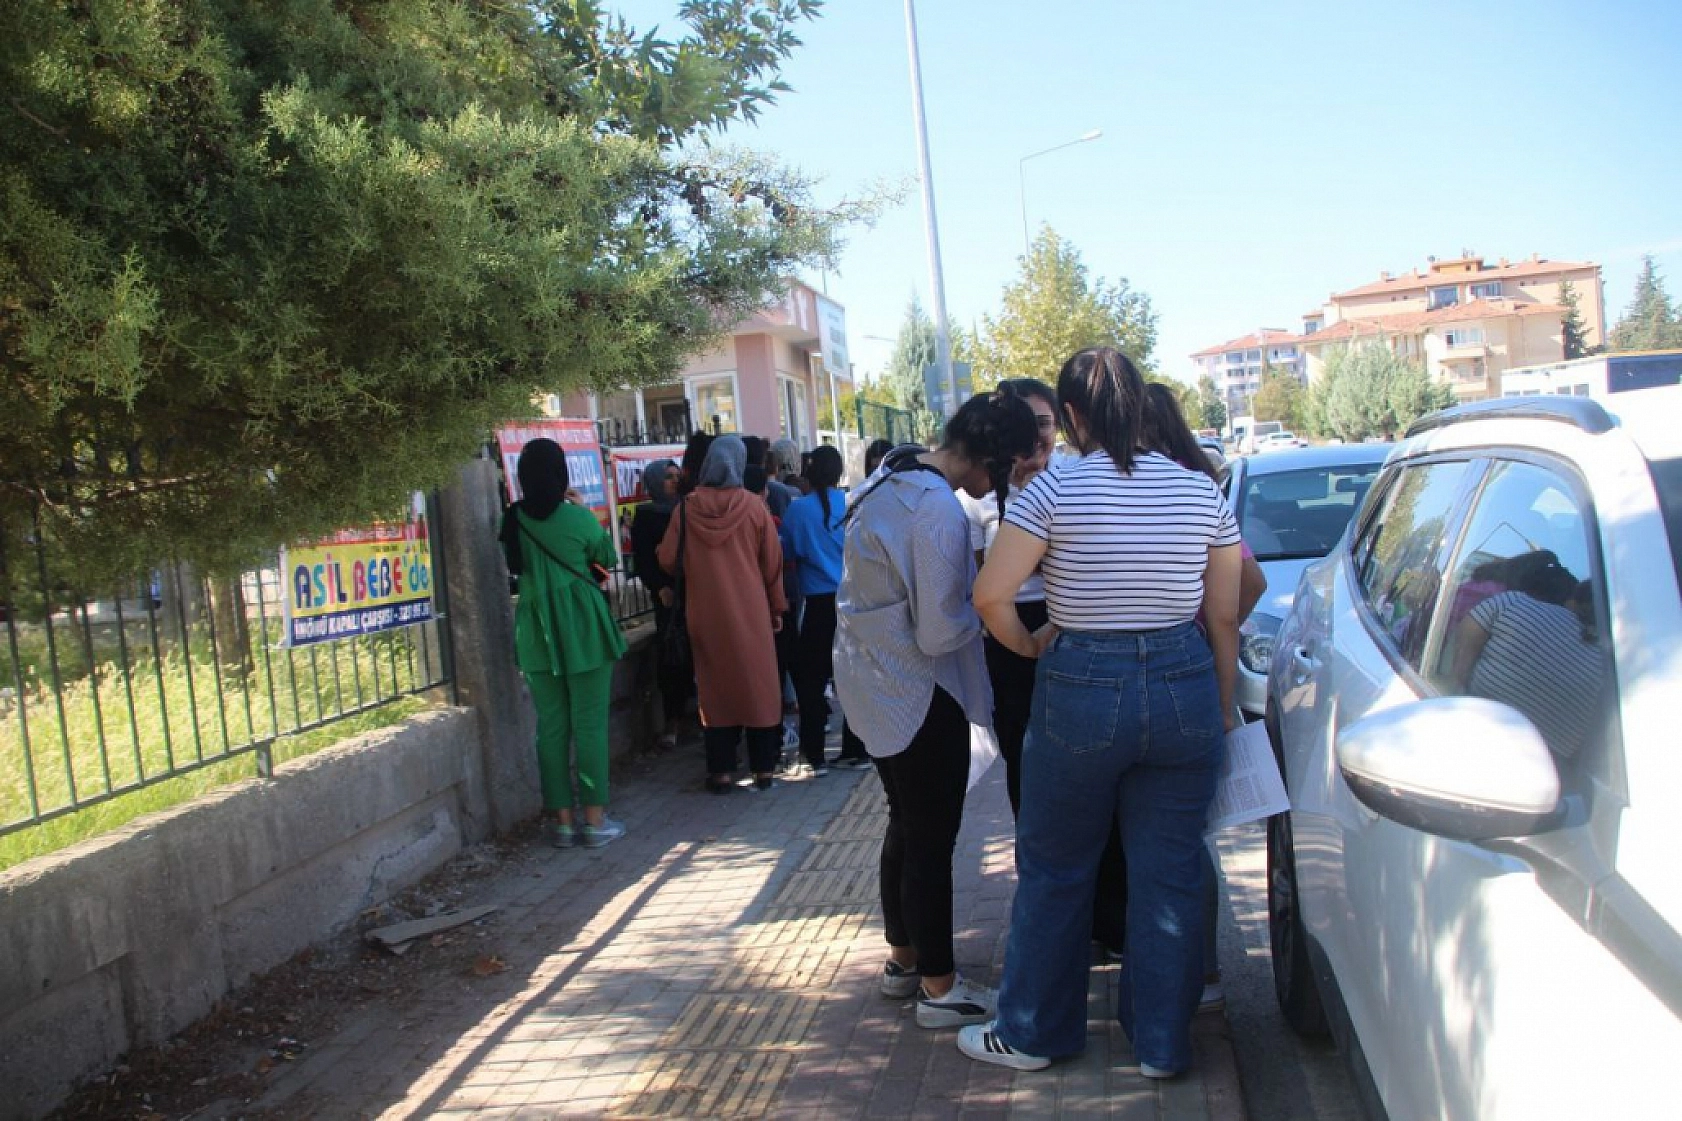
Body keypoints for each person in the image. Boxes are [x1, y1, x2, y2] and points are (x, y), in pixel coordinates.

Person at [959, 347, 1242, 1079]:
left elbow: (991, 594)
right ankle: (1161, 1044)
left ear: (1074, 414)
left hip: (1081, 683)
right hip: (1183, 683)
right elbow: (1225, 617)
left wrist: (1029, 644)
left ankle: (1032, 1033)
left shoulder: (1052, 491)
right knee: (1169, 869)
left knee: (1056, 866)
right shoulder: (1198, 490)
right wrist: (1221, 707)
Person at [834, 388, 1041, 1031]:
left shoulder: (889, 477)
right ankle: (940, 988)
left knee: (904, 822)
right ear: (988, 457)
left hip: (868, 685)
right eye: (1003, 467)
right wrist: (988, 607)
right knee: (932, 837)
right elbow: (938, 631)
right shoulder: (937, 513)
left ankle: (903, 961)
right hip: (919, 692)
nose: (995, 484)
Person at [499, 438, 629, 848]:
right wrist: (579, 508)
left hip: (536, 631)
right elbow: (606, 557)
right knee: (589, 724)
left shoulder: (513, 518)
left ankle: (562, 822)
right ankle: (595, 821)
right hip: (583, 625)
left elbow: (513, 565)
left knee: (551, 729)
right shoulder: (576, 517)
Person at [658, 436, 787, 793]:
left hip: (706, 612)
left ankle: (722, 771)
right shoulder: (753, 506)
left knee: (715, 691)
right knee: (758, 687)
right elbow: (771, 564)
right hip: (751, 611)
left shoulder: (686, 509)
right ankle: (763, 769)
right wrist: (777, 606)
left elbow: (668, 558)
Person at [962, 377, 1059, 817]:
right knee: (1020, 751)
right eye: (1028, 424)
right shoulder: (981, 498)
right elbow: (983, 572)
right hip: (1005, 626)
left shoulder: (1074, 480)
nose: (1037, 436)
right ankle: (1032, 849)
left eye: (1045, 422)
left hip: (1064, 622)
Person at [780, 445, 857, 774]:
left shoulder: (798, 511)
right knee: (853, 678)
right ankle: (858, 750)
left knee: (811, 681)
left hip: (817, 605)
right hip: (852, 601)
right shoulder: (853, 504)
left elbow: (787, 552)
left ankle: (814, 754)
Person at [630, 458, 688, 749]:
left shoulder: (689, 509)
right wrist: (659, 586)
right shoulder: (647, 515)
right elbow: (642, 559)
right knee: (671, 658)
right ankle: (673, 720)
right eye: (668, 477)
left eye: (677, 475)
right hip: (667, 596)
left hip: (694, 590)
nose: (674, 481)